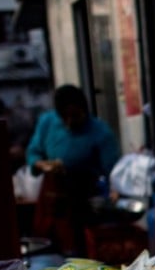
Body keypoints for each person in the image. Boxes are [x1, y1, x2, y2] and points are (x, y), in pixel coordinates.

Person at [27, 84, 120, 255]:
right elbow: (33, 152)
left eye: (75, 116)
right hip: (50, 198)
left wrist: (115, 190)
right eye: (64, 117)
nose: (70, 122)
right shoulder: (47, 122)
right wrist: (42, 165)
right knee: (47, 248)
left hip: (81, 201)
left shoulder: (100, 132)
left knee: (78, 250)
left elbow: (113, 172)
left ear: (85, 110)